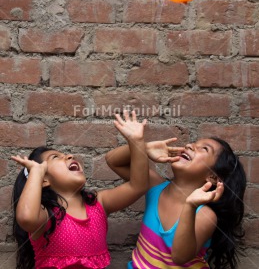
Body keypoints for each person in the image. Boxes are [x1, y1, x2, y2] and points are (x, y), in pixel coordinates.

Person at [12, 110, 149, 269]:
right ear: (43, 180)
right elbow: (26, 218)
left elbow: (138, 185)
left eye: (66, 154)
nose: (69, 156)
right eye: (56, 157)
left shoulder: (99, 204)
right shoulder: (45, 214)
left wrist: (137, 142)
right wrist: (36, 172)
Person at [106, 136, 247, 269]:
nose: (189, 145)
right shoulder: (154, 186)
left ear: (212, 176)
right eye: (193, 143)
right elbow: (113, 161)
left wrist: (190, 206)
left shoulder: (205, 215)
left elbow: (180, 257)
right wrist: (144, 148)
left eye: (204, 149)